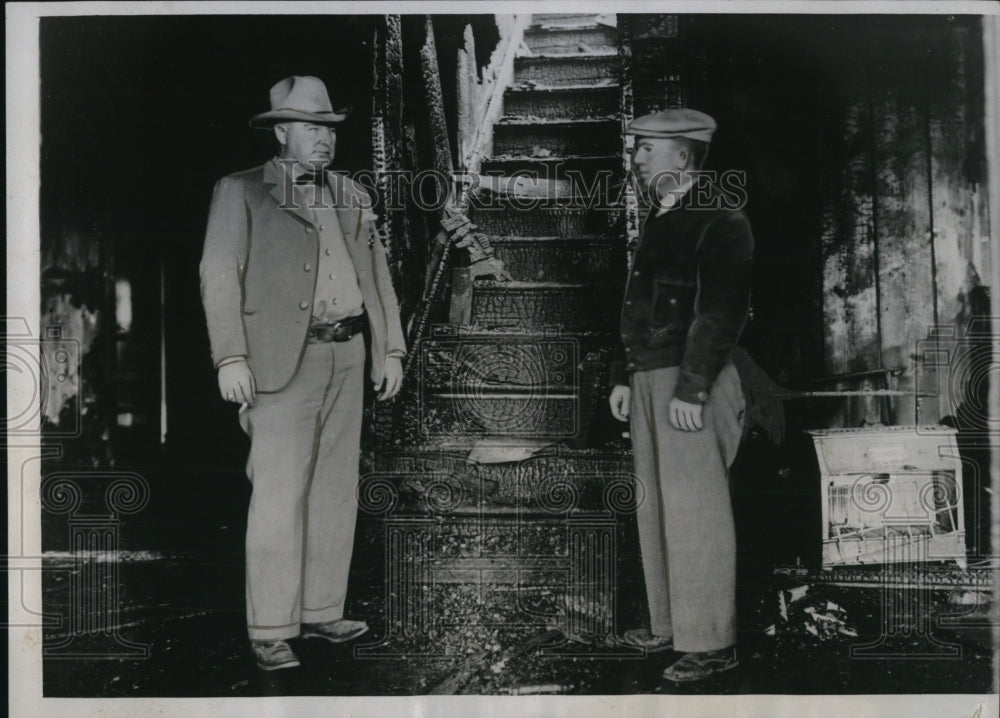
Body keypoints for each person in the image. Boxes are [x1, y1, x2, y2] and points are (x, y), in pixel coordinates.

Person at [200, 75, 406, 671]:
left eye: (330, 130)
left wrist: (390, 350)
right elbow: (218, 277)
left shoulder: (351, 195)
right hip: (277, 363)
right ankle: (270, 626)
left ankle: (320, 610)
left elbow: (379, 281)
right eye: (312, 129)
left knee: (335, 492)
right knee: (278, 496)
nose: (324, 141)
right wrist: (230, 356)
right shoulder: (240, 191)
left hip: (348, 354)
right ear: (282, 131)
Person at [608, 108, 753, 683]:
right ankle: (671, 625)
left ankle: (712, 641)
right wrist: (624, 374)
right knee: (658, 506)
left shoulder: (720, 219)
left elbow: (721, 312)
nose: (637, 158)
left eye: (647, 148)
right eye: (638, 148)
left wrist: (692, 389)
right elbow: (637, 305)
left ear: (683, 156)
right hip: (651, 380)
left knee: (698, 512)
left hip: (690, 382)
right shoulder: (665, 217)